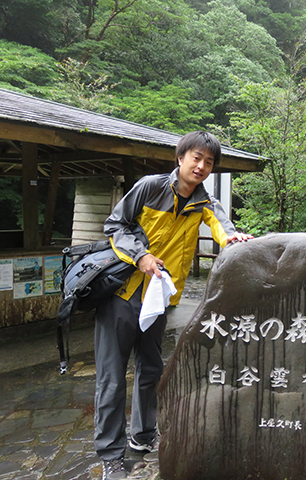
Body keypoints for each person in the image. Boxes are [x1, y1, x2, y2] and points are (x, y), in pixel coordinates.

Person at [94, 131, 252, 480]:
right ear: (180, 158)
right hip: (123, 293)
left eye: (209, 162)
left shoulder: (203, 202)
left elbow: (223, 227)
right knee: (112, 378)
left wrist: (234, 239)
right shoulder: (150, 187)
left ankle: (143, 435)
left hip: (159, 299)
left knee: (150, 370)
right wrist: (142, 256)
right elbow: (115, 225)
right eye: (196, 157)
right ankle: (111, 454)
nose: (201, 166)